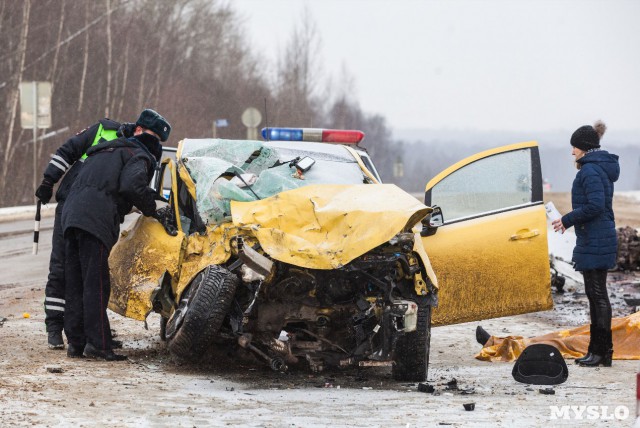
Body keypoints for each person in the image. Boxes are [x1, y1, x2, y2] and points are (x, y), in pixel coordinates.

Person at [61, 108, 171, 361]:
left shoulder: (108, 149)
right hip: (95, 218)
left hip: (71, 214)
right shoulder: (140, 154)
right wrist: (155, 209)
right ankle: (98, 345)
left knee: (76, 281)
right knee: (97, 283)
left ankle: (76, 343)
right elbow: (132, 185)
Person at [35, 118, 136, 349]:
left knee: (90, 276)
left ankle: (93, 334)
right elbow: (67, 151)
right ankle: (54, 328)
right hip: (69, 204)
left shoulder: (134, 148)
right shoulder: (102, 130)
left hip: (94, 213)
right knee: (62, 268)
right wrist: (49, 180)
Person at [552, 120, 620, 367]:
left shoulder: (590, 171)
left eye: (575, 147)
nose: (572, 151)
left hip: (596, 238)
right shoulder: (596, 168)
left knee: (598, 296)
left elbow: (595, 205)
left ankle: (602, 351)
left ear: (584, 147)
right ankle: (599, 351)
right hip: (595, 237)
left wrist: (566, 219)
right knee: (595, 295)